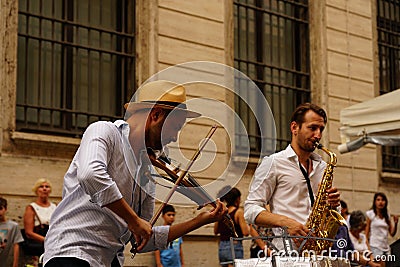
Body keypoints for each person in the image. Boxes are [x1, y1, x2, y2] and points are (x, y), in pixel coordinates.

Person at [42, 80, 227, 267]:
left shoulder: (147, 174)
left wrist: (199, 221)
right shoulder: (104, 131)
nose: (173, 138)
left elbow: (142, 236)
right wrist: (133, 220)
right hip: (71, 254)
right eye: (175, 128)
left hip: (109, 261)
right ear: (155, 115)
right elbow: (90, 174)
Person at [244, 103, 341, 252]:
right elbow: (250, 210)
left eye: (321, 129)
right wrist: (285, 222)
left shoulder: (322, 167)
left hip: (318, 251)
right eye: (312, 128)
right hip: (286, 253)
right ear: (294, 127)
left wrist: (333, 205)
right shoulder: (273, 163)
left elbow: (332, 214)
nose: (318, 135)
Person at [23, 178, 56, 266]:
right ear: (36, 190)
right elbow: (28, 232)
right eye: (41, 186)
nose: (44, 188)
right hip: (39, 245)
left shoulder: (54, 207)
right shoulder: (31, 208)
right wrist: (46, 240)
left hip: (53, 243)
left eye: (47, 186)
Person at [214, 186, 249, 267]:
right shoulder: (238, 212)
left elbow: (215, 231)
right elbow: (246, 232)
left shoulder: (221, 213)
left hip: (222, 247)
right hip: (235, 246)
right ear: (237, 199)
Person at [365, 192, 398, 266]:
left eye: (383, 200)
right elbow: (366, 234)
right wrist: (369, 249)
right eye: (378, 200)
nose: (380, 202)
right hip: (375, 246)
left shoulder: (387, 215)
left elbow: (392, 233)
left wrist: (395, 223)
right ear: (375, 202)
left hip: (385, 247)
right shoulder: (370, 214)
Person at [0, 197, 24, 267]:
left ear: (5, 209)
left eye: (0, 209)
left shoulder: (13, 226)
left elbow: (16, 245)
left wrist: (15, 264)